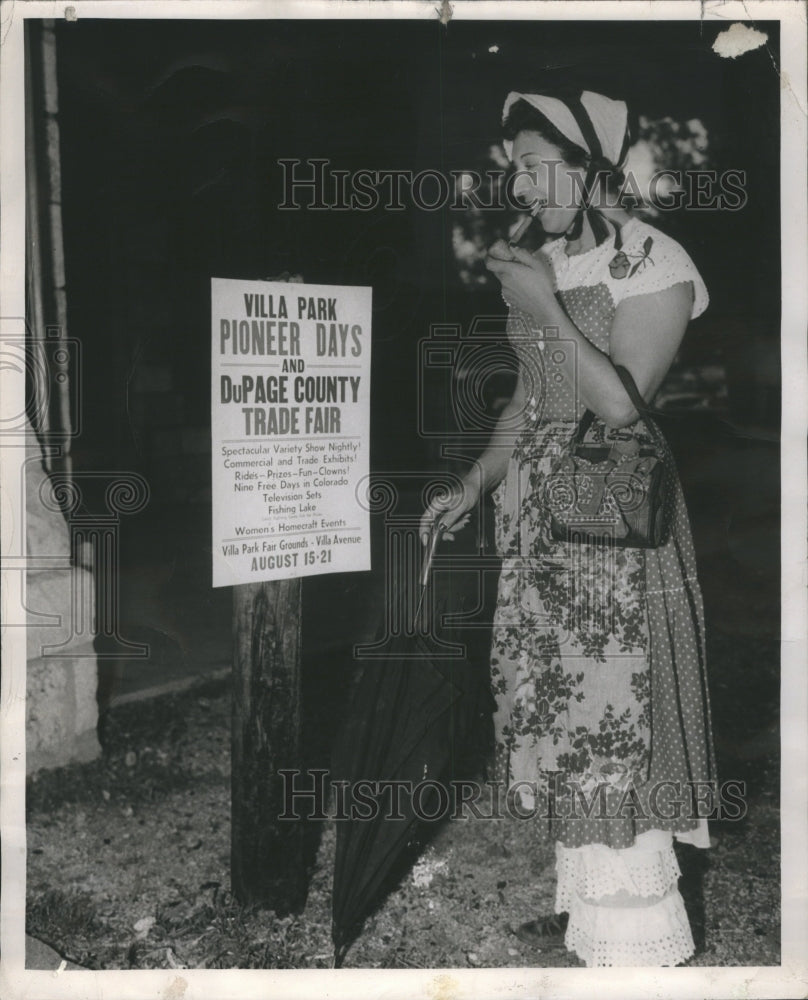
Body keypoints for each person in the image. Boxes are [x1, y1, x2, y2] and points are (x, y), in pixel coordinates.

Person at [420, 89, 716, 967]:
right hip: (539, 523)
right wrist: (475, 482)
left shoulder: (655, 264)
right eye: (512, 166)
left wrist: (548, 307)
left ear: (589, 168)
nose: (519, 183)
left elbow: (623, 407)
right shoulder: (544, 256)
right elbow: (526, 396)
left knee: (613, 719)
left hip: (613, 521)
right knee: (557, 710)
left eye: (536, 165)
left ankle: (637, 938)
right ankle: (588, 916)